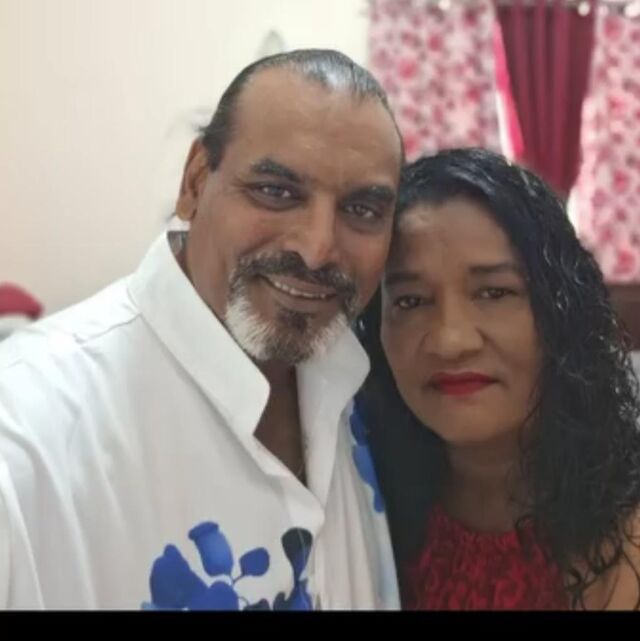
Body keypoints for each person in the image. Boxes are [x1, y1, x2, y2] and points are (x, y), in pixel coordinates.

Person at [0, 49, 404, 610]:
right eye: (276, 191)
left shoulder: (371, 388)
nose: (317, 249)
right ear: (194, 182)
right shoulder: (26, 436)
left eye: (361, 210)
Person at [357, 148, 640, 610]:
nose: (450, 341)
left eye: (493, 292)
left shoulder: (626, 533)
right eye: (410, 301)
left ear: (560, 312)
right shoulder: (363, 503)